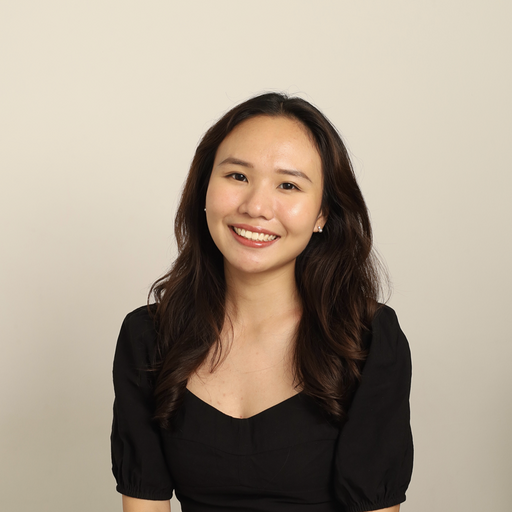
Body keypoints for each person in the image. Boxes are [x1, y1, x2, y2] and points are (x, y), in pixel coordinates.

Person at [111, 92, 413, 512]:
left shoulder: (367, 340)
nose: (255, 207)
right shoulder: (148, 337)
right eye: (237, 176)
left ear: (322, 213)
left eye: (288, 185)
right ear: (204, 188)